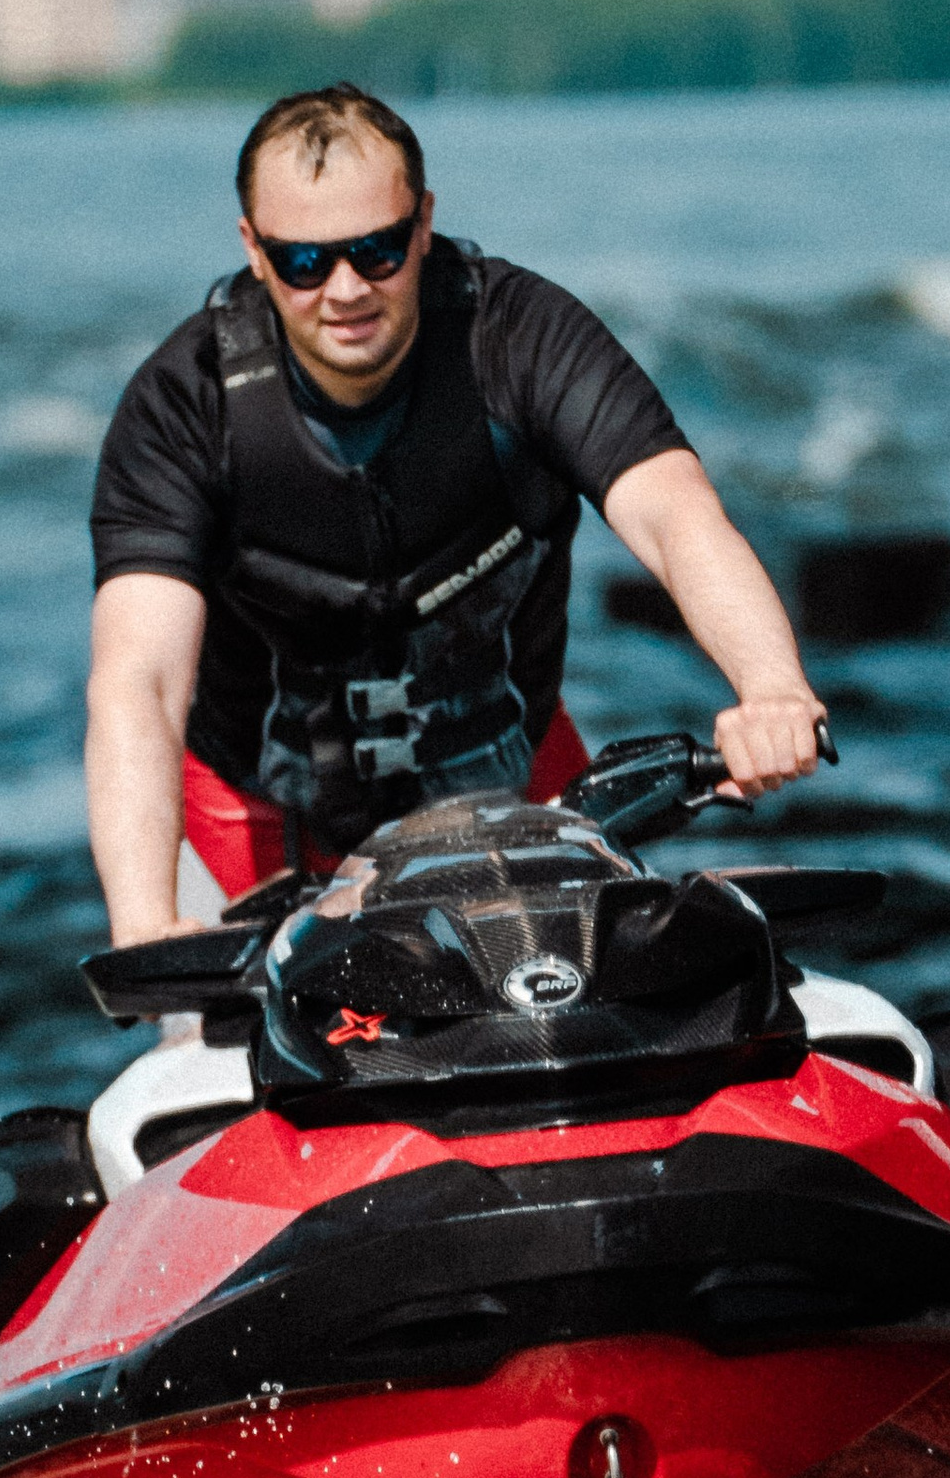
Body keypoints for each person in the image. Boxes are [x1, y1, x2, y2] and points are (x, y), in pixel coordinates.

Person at [85, 84, 829, 941]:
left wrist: (771, 685)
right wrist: (145, 924)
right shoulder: (184, 403)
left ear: (424, 223)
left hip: (517, 789)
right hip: (252, 825)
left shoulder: (521, 337)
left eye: (378, 251)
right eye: (305, 262)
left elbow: (674, 512)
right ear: (253, 250)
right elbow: (139, 678)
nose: (346, 289)